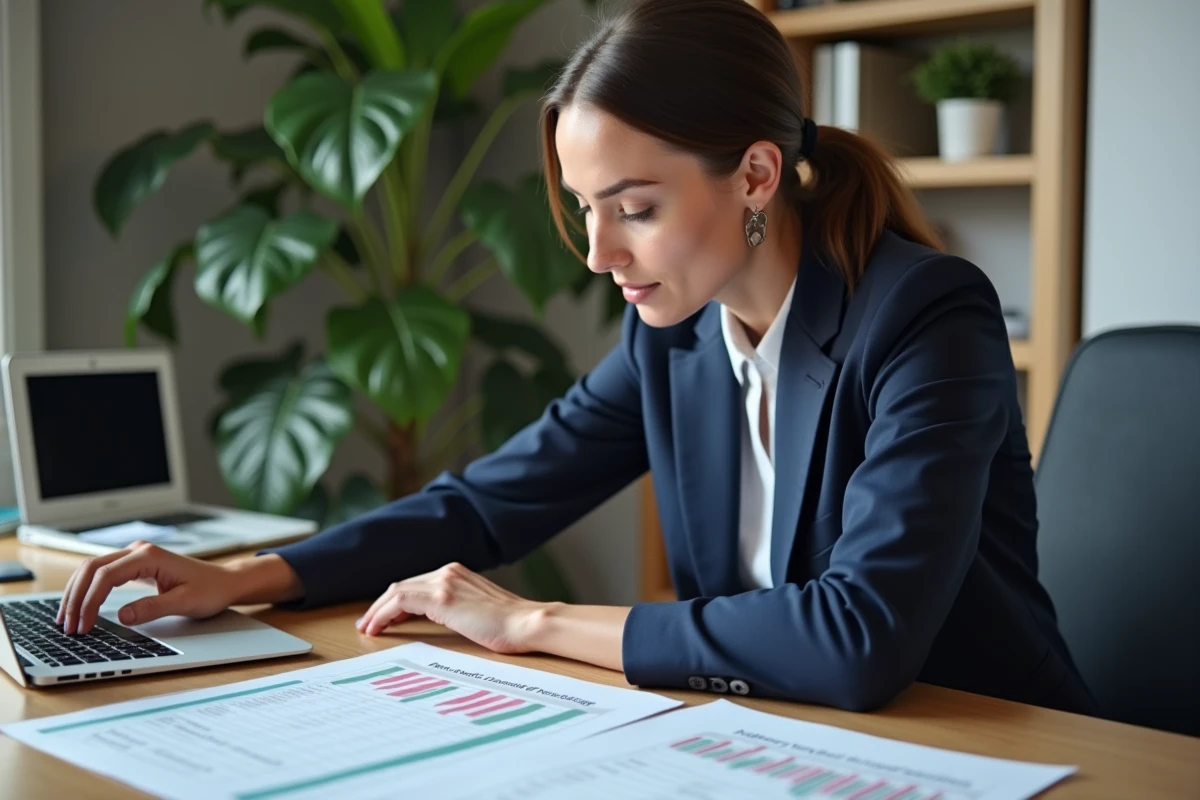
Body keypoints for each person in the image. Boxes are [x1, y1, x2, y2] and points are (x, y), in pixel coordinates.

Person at [57, 0, 1097, 715]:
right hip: (779, 744)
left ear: (755, 174)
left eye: (636, 210)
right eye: (587, 210)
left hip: (991, 745)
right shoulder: (676, 337)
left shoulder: (925, 316)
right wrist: (247, 575)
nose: (599, 254)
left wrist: (530, 619)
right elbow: (485, 502)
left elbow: (859, 635)